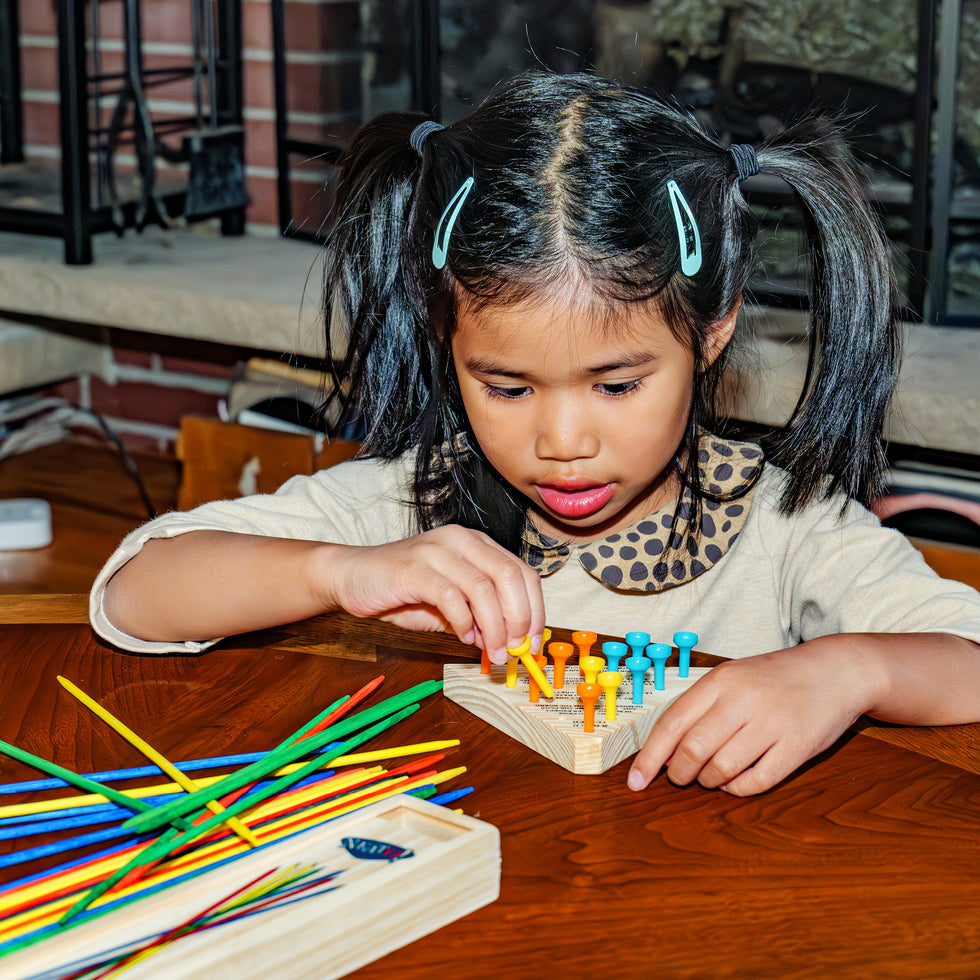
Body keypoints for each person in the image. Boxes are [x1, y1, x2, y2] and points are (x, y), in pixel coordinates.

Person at [91, 72, 980, 796]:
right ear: (449, 343)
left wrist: (850, 670)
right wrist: (340, 571)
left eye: (618, 383)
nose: (562, 441)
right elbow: (131, 598)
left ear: (711, 336)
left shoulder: (787, 531)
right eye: (506, 385)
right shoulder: (412, 508)